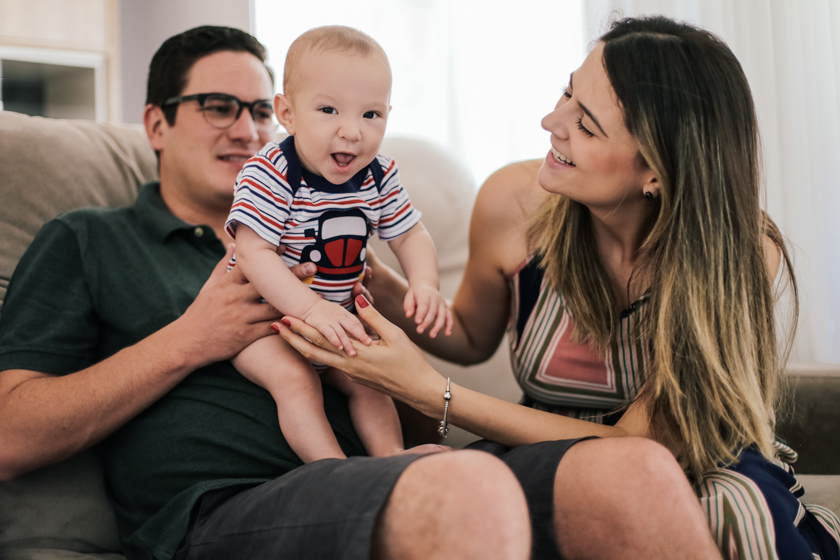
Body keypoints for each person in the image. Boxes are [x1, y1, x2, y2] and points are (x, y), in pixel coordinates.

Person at [277, 16, 840, 560]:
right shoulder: (512, 203)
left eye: (586, 124)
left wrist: (431, 392)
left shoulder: (738, 247)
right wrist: (375, 279)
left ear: (657, 173)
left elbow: (641, 448)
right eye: (566, 93)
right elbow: (471, 335)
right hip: (541, 452)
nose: (551, 120)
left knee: (727, 512)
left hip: (691, 459)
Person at [0, 26, 532, 560]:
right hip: (228, 505)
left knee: (588, 474)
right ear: (156, 124)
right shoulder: (91, 239)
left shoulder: (340, 211)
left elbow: (421, 394)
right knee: (470, 490)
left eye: (258, 110)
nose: (246, 129)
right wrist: (190, 339)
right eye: (217, 107)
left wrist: (385, 292)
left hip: (378, 472)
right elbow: (9, 438)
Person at [226, 26, 452, 464]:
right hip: (265, 325)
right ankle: (331, 467)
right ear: (287, 113)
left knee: (371, 378)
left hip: (339, 321)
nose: (352, 132)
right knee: (296, 379)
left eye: (371, 115)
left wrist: (424, 283)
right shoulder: (271, 171)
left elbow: (409, 234)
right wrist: (310, 310)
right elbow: (254, 254)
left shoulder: (378, 175)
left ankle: (389, 458)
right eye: (329, 110)